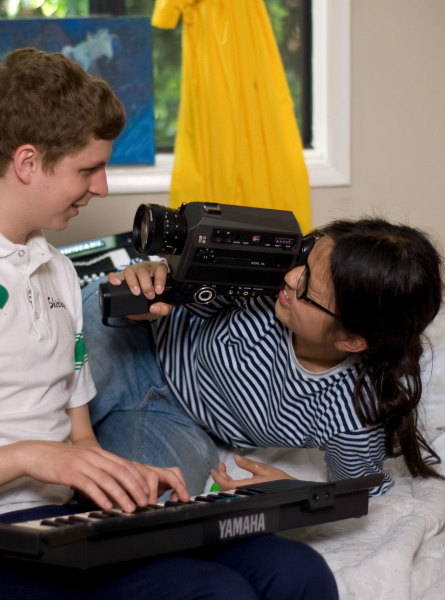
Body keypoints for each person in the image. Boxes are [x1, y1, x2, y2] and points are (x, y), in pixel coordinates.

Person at [0, 47, 339, 600]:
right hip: (12, 533)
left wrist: (125, 475)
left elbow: (79, 434)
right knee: (210, 592)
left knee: (297, 572)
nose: (104, 188)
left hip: (68, 519)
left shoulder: (58, 273)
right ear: (28, 162)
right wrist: (32, 456)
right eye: (89, 169)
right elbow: (54, 452)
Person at [82, 216, 443, 498]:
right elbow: (180, 289)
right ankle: (52, 432)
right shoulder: (267, 286)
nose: (290, 278)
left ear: (351, 340)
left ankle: (84, 440)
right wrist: (153, 279)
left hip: (183, 422)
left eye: (307, 287)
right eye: (305, 260)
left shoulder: (350, 414)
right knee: (83, 334)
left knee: (159, 493)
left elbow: (359, 493)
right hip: (142, 342)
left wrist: (294, 489)